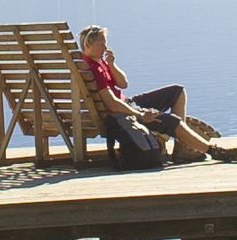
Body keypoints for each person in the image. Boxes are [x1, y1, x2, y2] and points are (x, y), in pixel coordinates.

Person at [80, 27, 223, 160]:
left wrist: (111, 64)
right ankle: (211, 151)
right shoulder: (94, 69)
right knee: (173, 121)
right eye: (100, 44)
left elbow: (123, 84)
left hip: (127, 103)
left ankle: (182, 147)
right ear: (87, 45)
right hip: (122, 114)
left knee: (177, 92)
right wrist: (141, 114)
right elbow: (112, 104)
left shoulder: (96, 62)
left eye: (105, 43)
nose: (105, 48)